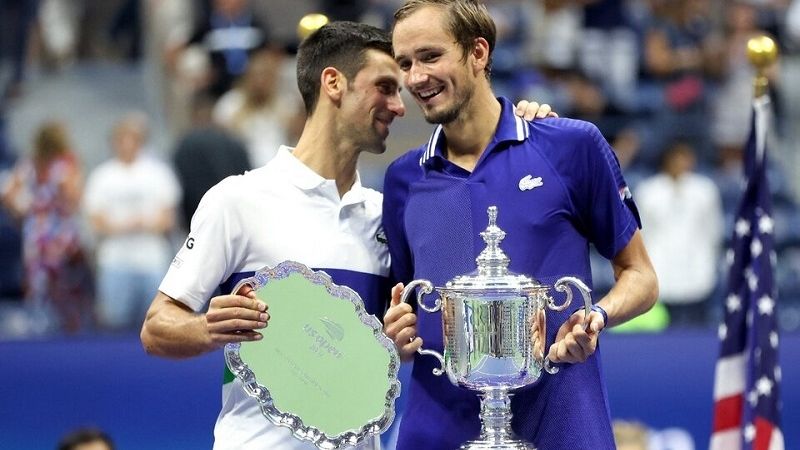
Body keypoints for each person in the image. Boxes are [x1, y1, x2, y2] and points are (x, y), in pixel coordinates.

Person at [140, 19, 551, 450]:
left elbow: (394, 343)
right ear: (334, 83)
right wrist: (210, 328)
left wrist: (530, 134)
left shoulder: (386, 213)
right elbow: (157, 327)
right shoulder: (237, 200)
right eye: (385, 88)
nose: (399, 106)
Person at [381, 1, 659, 449]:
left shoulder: (571, 147)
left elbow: (641, 275)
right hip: (438, 431)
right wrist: (394, 331)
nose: (415, 77)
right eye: (405, 63)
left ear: (478, 53)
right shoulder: (403, 178)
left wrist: (595, 318)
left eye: (430, 57)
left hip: (562, 424)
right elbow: (403, 307)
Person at [83, 113, 181, 331]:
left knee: (157, 322)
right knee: (114, 322)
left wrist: (142, 224)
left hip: (151, 259)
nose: (127, 145)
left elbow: (168, 218)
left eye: (132, 139)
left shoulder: (158, 173)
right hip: (115, 260)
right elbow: (96, 221)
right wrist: (127, 225)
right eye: (122, 139)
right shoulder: (102, 176)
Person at [1, 121, 94, 334]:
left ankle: (45, 328)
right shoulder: (64, 164)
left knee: (42, 283)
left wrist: (24, 211)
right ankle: (64, 329)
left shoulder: (29, 165)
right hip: (59, 233)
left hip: (37, 233)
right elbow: (75, 198)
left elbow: (7, 194)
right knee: (61, 285)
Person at [635, 140, 722, 328]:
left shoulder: (705, 190)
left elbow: (713, 229)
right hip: (661, 266)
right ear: (667, 159)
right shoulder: (649, 191)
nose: (682, 162)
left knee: (698, 327)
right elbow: (642, 232)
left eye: (686, 157)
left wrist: (709, 258)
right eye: (677, 157)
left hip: (697, 267)